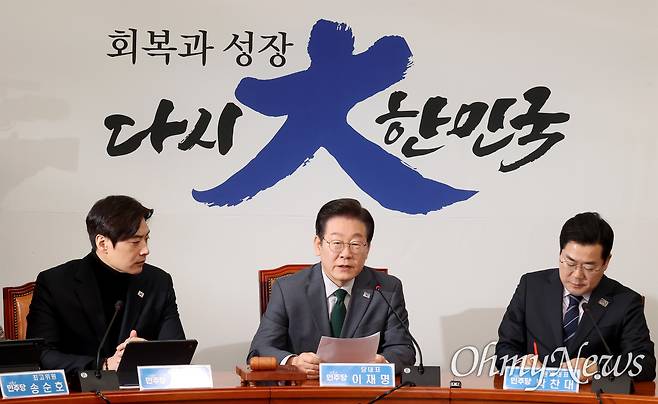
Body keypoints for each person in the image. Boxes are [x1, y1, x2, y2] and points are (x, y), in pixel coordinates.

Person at [248, 198, 415, 377]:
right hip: (305, 389)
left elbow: (404, 350)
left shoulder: (386, 290)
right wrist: (293, 362)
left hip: (364, 388)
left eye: (355, 244)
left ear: (367, 249)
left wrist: (384, 362)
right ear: (318, 245)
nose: (346, 254)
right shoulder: (288, 290)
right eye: (336, 243)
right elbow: (260, 349)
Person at [26, 195, 185, 375]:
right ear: (102, 244)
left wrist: (146, 353)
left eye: (146, 239)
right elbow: (41, 355)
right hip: (80, 388)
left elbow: (177, 350)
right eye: (135, 242)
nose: (145, 250)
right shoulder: (55, 283)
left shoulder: (158, 282)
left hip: (137, 389)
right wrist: (103, 365)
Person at [495, 212, 655, 381]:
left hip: (592, 393)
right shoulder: (531, 287)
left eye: (589, 267)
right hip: (536, 390)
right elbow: (504, 350)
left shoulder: (625, 301)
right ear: (560, 254)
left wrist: (598, 368)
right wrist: (520, 363)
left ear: (606, 262)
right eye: (570, 263)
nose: (577, 275)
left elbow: (645, 365)